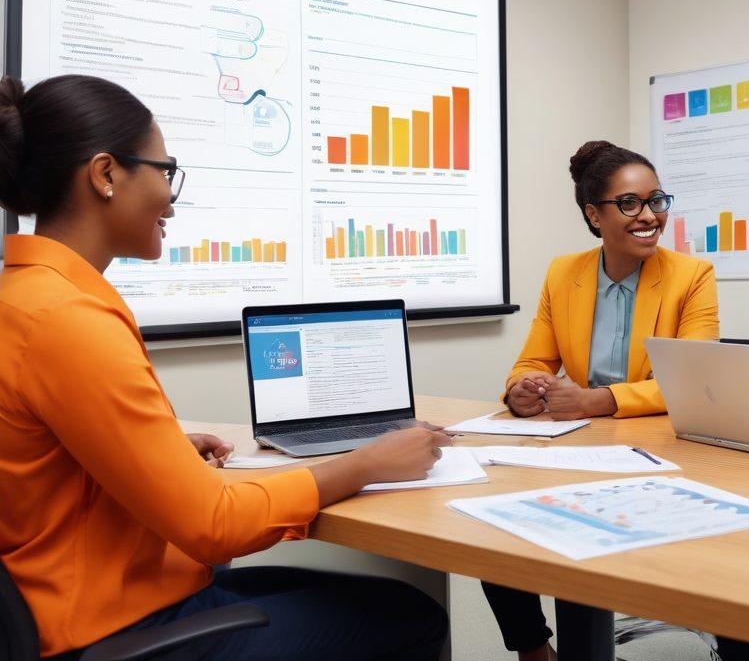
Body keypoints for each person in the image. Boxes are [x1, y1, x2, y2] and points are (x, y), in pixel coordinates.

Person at [0, 74, 451, 660]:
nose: (171, 197)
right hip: (111, 628)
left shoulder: (24, 298)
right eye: (165, 171)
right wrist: (365, 463)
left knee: (379, 600)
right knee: (411, 616)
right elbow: (214, 526)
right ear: (105, 174)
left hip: (89, 597)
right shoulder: (67, 320)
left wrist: (157, 450)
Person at [486, 139, 719, 661]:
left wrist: (598, 400)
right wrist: (522, 390)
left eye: (656, 200)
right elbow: (533, 361)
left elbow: (692, 380)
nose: (649, 216)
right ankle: (533, 649)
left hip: (657, 451)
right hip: (579, 447)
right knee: (494, 513)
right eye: (629, 203)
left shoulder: (691, 276)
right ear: (594, 214)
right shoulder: (563, 272)